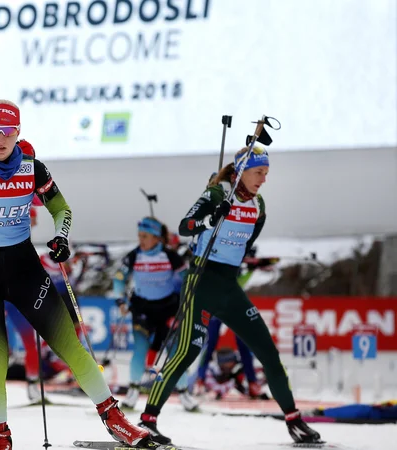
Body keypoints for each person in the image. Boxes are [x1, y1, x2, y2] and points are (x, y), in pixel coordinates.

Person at [0, 100, 155, 450]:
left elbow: (61, 208)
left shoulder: (33, 169)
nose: (0, 139)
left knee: (70, 346)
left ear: (18, 132)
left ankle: (115, 419)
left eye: (7, 132)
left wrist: (61, 236)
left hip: (23, 268)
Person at [137, 146, 322, 446]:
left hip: (228, 286)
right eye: (259, 172)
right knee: (186, 353)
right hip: (200, 280)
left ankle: (294, 421)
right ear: (242, 171)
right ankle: (147, 421)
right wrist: (210, 221)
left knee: (268, 352)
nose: (263, 179)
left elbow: (250, 237)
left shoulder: (259, 205)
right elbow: (186, 227)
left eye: (266, 173)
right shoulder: (217, 195)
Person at [111, 217, 197, 412]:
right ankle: (133, 393)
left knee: (175, 353)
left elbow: (186, 279)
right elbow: (119, 279)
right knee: (140, 349)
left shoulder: (170, 256)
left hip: (168, 309)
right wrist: (121, 300)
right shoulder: (134, 255)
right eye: (139, 236)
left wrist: (188, 300)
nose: (141, 240)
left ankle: (184, 393)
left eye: (145, 236)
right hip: (142, 309)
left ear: (157, 238)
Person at [193, 246, 279, 399]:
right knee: (210, 343)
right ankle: (200, 381)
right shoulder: (217, 258)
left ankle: (252, 383)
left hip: (233, 305)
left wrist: (251, 267)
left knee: (244, 343)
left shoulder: (235, 259)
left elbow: (238, 284)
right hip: (215, 306)